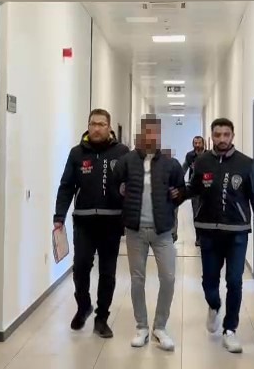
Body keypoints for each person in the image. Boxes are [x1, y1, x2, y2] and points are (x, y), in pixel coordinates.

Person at [185, 118, 254, 353]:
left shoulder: (247, 163)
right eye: (217, 135)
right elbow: (193, 189)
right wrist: (172, 195)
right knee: (209, 282)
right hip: (208, 231)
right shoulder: (201, 162)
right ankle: (214, 305)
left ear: (232, 136)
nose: (222, 139)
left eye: (226, 134)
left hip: (237, 233)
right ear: (212, 136)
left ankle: (230, 330)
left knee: (234, 281)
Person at [53, 109, 130, 338]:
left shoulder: (122, 152)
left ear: (109, 128)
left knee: (108, 272)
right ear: (88, 126)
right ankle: (83, 306)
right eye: (93, 124)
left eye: (101, 124)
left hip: (111, 222)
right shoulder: (77, 153)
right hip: (84, 221)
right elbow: (66, 186)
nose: (96, 128)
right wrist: (59, 216)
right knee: (81, 266)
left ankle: (102, 318)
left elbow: (132, 185)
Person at [113, 115, 186, 351]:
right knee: (137, 279)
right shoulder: (127, 161)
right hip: (135, 231)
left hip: (162, 231)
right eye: (147, 132)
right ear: (141, 134)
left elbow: (181, 190)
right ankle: (142, 326)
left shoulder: (170, 163)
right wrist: (120, 193)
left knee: (169, 278)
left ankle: (160, 327)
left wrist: (177, 195)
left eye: (155, 132)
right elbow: (114, 187)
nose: (151, 136)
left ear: (159, 135)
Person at [182, 136, 207, 246]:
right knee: (196, 213)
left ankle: (206, 237)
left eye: (199, 143)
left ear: (203, 144)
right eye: (195, 143)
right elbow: (184, 168)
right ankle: (199, 238)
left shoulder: (209, 155)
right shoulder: (190, 156)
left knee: (207, 213)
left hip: (208, 189)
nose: (197, 145)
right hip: (195, 189)